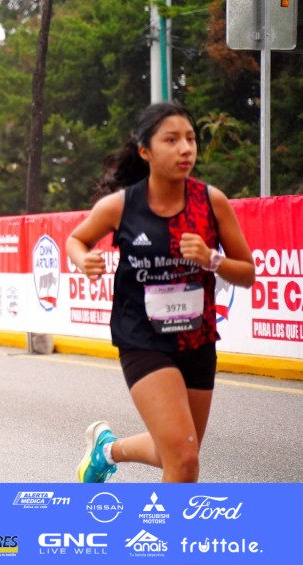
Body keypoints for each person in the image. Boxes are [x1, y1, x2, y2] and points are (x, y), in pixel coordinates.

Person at [67, 102, 255, 483]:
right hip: (143, 339)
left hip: (197, 340)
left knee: (179, 455)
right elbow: (76, 240)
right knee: (183, 460)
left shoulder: (212, 202)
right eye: (171, 140)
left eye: (191, 139)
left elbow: (247, 273)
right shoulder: (121, 206)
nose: (185, 149)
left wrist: (211, 259)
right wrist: (83, 260)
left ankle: (106, 451)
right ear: (145, 151)